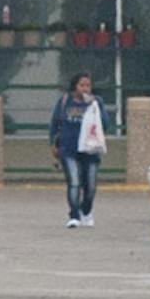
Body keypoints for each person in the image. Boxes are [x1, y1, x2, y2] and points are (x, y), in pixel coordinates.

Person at [49, 71, 108, 228]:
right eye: (82, 85)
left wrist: (95, 107)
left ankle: (86, 211)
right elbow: (55, 124)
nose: (85, 89)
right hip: (69, 148)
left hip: (90, 149)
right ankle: (74, 215)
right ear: (75, 86)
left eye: (88, 85)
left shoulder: (97, 102)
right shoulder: (65, 102)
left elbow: (105, 124)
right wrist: (53, 144)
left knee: (90, 185)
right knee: (74, 182)